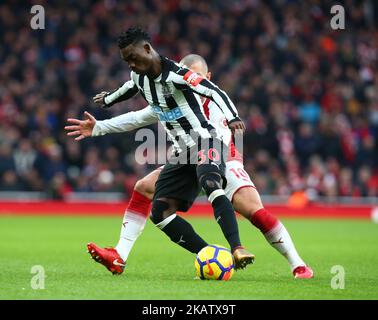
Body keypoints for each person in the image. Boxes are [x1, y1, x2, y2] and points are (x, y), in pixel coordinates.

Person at [66, 53, 314, 279]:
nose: (189, 81)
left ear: (207, 78)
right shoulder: (171, 98)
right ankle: (120, 254)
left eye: (195, 76)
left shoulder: (214, 102)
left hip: (223, 159)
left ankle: (298, 264)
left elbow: (220, 137)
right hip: (186, 160)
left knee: (252, 210)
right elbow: (137, 118)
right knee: (144, 188)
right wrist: (99, 127)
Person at [66, 27, 255, 272]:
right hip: (182, 154)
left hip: (207, 141)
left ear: (147, 49)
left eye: (133, 58)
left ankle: (237, 247)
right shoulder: (140, 78)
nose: (131, 65)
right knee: (160, 211)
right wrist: (106, 104)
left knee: (211, 183)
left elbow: (212, 90)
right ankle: (210, 255)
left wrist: (233, 117)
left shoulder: (178, 74)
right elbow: (127, 91)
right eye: (126, 61)